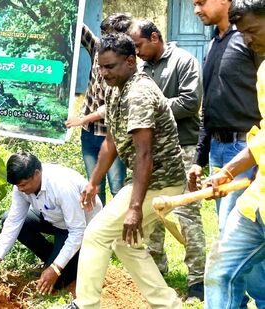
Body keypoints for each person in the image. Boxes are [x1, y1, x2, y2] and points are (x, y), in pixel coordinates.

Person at [64, 33, 186, 309]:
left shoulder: (140, 93)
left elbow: (145, 156)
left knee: (96, 234)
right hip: (149, 178)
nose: (103, 73)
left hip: (161, 181)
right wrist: (94, 182)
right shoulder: (116, 87)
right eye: (100, 66)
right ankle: (168, 305)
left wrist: (134, 208)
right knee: (126, 243)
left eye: (110, 66)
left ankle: (85, 305)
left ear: (130, 62)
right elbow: (112, 140)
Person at [129, 19, 206, 300]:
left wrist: (154, 108)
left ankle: (197, 281)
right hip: (155, 151)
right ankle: (157, 273)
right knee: (152, 214)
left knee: (187, 213)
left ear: (154, 37)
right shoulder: (143, 68)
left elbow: (189, 103)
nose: (136, 53)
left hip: (184, 147)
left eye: (139, 46)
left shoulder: (184, 61)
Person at [201, 0, 265, 308]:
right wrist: (227, 171)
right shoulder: (264, 68)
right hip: (257, 203)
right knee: (220, 269)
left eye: (252, 30)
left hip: (251, 173)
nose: (248, 39)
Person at [189, 0, 261, 236]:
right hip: (218, 150)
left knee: (236, 233)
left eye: (201, 2)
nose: (196, 10)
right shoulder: (212, 45)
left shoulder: (252, 40)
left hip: (246, 148)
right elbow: (208, 104)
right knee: (226, 228)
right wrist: (200, 158)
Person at [0, 152, 102, 294]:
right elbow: (14, 220)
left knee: (57, 282)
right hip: (52, 219)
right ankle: (53, 258)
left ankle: (69, 264)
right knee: (7, 218)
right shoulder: (21, 186)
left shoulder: (61, 185)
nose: (20, 189)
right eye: (18, 186)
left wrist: (56, 268)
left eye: (23, 185)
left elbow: (78, 231)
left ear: (37, 173)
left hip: (80, 227)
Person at [65, 13, 130, 204]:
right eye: (102, 34)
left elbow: (112, 106)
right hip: (89, 134)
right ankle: (99, 229)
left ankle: (122, 230)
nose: (103, 39)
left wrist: (83, 119)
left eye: (108, 35)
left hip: (112, 135)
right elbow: (78, 27)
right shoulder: (97, 49)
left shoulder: (127, 66)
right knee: (94, 186)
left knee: (118, 187)